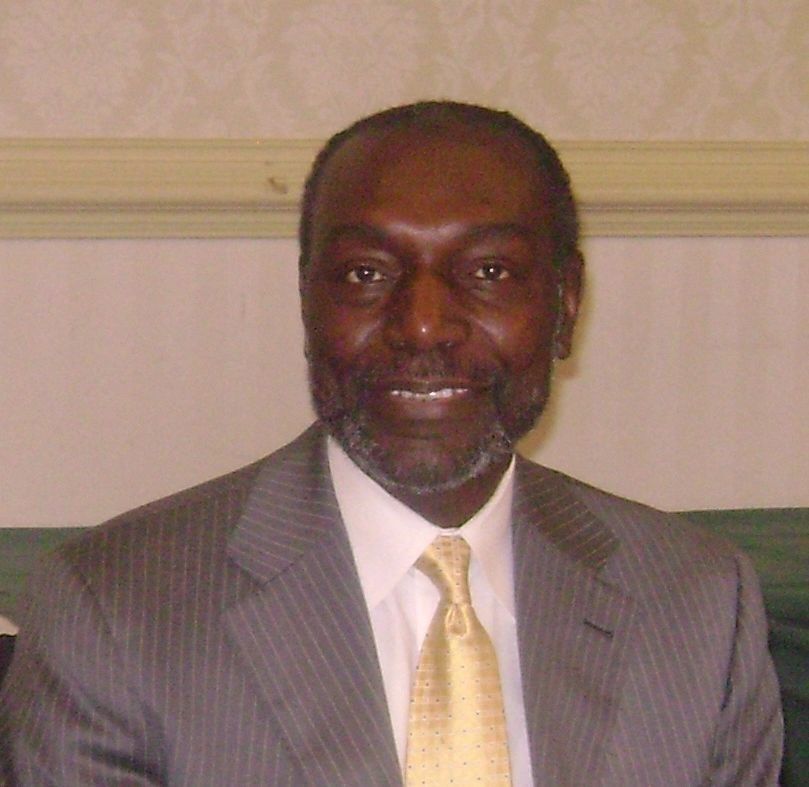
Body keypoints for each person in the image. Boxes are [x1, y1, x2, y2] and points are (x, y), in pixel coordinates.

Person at [0, 102, 782, 785]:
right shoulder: (114, 608)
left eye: (490, 270)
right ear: (307, 299)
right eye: (366, 273)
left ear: (565, 303)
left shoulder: (697, 604)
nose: (421, 324)